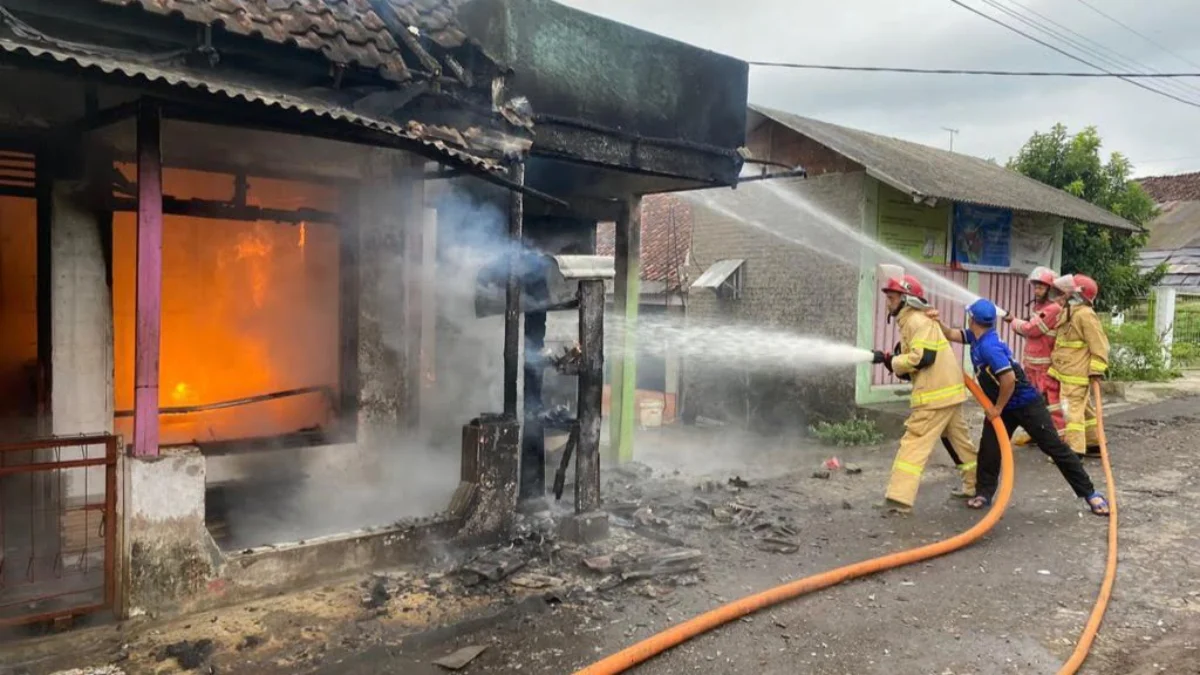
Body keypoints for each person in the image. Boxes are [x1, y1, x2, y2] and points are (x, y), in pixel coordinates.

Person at [928, 299, 1109, 515]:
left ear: (972, 319)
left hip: (1025, 404)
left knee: (1055, 447)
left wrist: (997, 409)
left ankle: (1090, 494)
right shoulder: (976, 336)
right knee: (989, 450)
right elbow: (951, 334)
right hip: (1003, 406)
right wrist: (937, 322)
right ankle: (983, 493)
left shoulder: (989, 346)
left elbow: (1009, 379)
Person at [870, 274, 978, 514]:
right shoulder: (915, 321)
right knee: (958, 442)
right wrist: (890, 360)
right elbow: (918, 359)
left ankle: (899, 498)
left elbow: (924, 358)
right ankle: (975, 484)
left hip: (934, 395)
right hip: (947, 393)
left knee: (914, 443)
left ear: (906, 299)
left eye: (891, 298)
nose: (888, 303)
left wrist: (895, 361)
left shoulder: (916, 321)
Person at [1049, 274, 1110, 459]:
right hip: (1067, 371)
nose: (1063, 294)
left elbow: (1100, 345)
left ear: (1077, 295)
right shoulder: (1071, 311)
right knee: (1084, 409)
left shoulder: (1085, 315)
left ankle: (1074, 451)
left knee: (1071, 410)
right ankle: (1094, 443)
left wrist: (1096, 370)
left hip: (1076, 374)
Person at [1003, 267, 1067, 443]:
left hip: (1045, 366)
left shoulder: (1053, 309)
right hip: (1032, 365)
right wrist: (1018, 324)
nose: (1037, 291)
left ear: (1050, 289)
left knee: (1051, 403)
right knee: (1032, 403)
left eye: (1041, 287)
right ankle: (1036, 432)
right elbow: (1029, 330)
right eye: (1035, 287)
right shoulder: (1039, 307)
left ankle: (1060, 441)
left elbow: (1033, 329)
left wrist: (1013, 320)